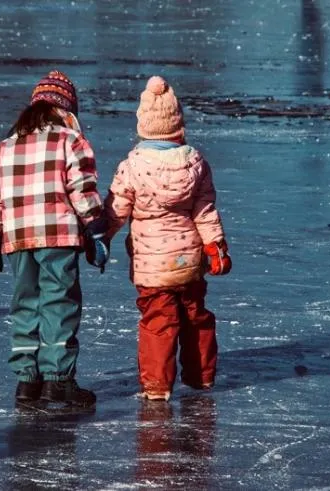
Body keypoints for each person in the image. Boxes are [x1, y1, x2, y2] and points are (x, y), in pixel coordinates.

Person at [0, 70, 109, 409]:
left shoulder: (5, 147)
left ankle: (27, 381)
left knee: (25, 303)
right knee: (59, 303)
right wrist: (97, 230)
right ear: (66, 109)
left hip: (18, 238)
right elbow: (82, 192)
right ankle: (57, 381)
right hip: (58, 235)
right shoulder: (71, 141)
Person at [103, 75, 232, 401]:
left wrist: (100, 237)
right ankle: (201, 377)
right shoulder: (194, 162)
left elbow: (117, 210)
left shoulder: (132, 165)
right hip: (188, 260)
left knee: (159, 321)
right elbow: (205, 211)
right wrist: (215, 247)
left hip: (151, 265)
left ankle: (158, 387)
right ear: (178, 125)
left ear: (143, 126)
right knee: (194, 314)